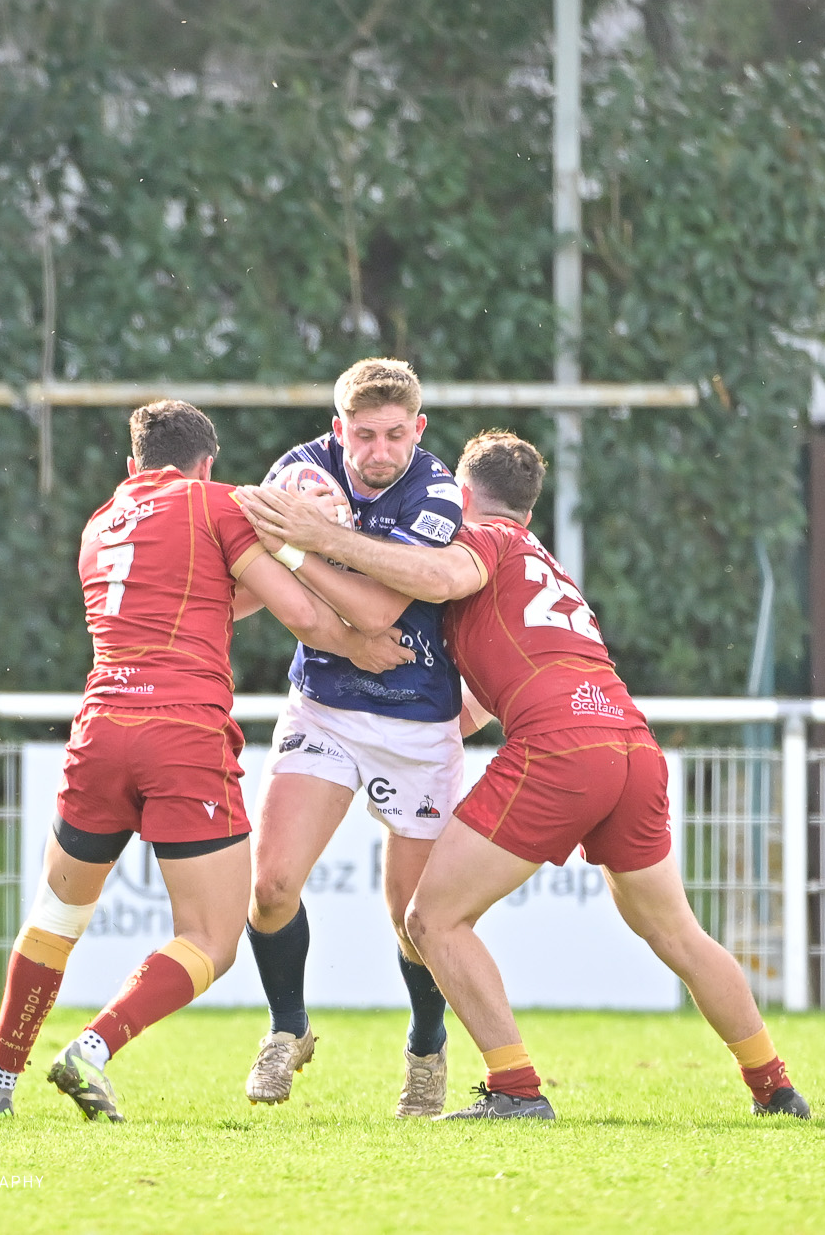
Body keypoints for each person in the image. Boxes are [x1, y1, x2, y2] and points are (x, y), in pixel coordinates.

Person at [244, 430, 811, 1120]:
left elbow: (438, 578)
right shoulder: (548, 568)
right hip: (628, 741)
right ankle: (775, 1086)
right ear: (532, 511)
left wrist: (321, 538)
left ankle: (515, 1088)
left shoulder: (483, 541)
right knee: (677, 934)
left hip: (561, 747)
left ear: (461, 496)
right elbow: (479, 703)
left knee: (431, 918)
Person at [0, 401, 413, 1123]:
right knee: (210, 939)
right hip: (181, 734)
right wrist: (360, 643)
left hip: (101, 731)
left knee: (55, 917)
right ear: (208, 464)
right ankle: (93, 1049)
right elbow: (301, 617)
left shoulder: (101, 522)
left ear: (132, 464)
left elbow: (210, 597)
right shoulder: (218, 504)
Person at [240, 357, 470, 1118]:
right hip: (325, 708)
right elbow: (272, 585)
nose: (379, 451)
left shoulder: (437, 492)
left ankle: (426, 1049)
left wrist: (307, 544)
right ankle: (287, 1028)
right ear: (337, 429)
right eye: (364, 435)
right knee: (271, 887)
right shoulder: (297, 472)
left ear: (419, 429)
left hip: (417, 722)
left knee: (415, 921)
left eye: (395, 435)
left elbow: (377, 611)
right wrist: (302, 553)